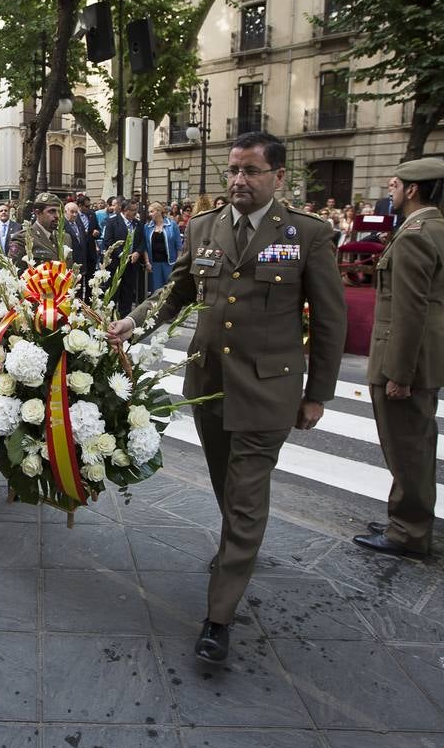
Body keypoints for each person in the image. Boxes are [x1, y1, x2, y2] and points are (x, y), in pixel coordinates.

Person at [107, 131, 346, 664]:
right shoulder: (204, 226)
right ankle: (239, 549)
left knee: (244, 495)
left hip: (269, 389)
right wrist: (132, 321)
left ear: (278, 177)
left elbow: (331, 320)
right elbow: (178, 293)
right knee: (225, 485)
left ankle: (219, 616)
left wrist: (318, 394)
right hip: (210, 383)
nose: (238, 180)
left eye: (251, 171)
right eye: (233, 170)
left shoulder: (307, 235)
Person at [352, 159, 444, 558]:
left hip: (407, 358)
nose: (391, 188)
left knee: (407, 448)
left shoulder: (416, 233)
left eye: (395, 183)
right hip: (426, 353)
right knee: (413, 443)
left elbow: (409, 310)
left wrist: (398, 372)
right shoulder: (438, 227)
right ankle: (404, 520)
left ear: (413, 189)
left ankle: (409, 532)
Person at [102, 199, 147, 315]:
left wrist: (137, 252)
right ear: (124, 210)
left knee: (127, 294)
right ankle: (109, 319)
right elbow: (108, 241)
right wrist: (122, 254)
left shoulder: (138, 224)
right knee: (113, 294)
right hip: (115, 265)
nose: (135, 213)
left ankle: (124, 319)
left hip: (132, 265)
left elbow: (142, 242)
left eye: (136, 210)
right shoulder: (112, 222)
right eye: (132, 210)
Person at [8, 192, 65, 267]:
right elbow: (15, 273)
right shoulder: (22, 239)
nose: (57, 216)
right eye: (52, 211)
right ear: (38, 213)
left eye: (60, 212)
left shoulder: (65, 238)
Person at [144, 201, 182, 292]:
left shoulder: (172, 225)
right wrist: (147, 262)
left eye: (152, 211)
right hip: (154, 263)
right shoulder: (147, 227)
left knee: (170, 289)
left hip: (170, 263)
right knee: (156, 290)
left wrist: (178, 261)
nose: (150, 214)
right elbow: (145, 246)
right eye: (149, 212)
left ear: (159, 211)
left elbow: (178, 245)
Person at [64, 201, 97, 295]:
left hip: (81, 262)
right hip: (70, 263)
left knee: (79, 290)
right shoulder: (62, 224)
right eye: (72, 212)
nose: (74, 215)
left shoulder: (78, 222)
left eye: (76, 212)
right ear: (66, 212)